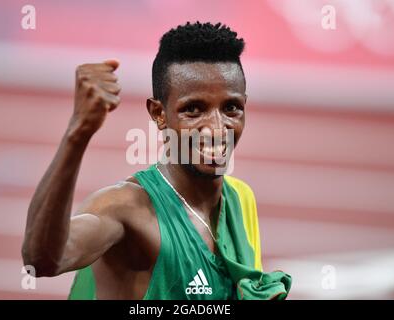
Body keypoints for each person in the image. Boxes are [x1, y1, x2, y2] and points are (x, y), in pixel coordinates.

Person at [22, 22, 291, 300]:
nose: (216, 128)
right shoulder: (127, 209)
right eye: (193, 109)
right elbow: (42, 260)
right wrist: (78, 133)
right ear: (159, 113)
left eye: (231, 108)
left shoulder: (240, 198)